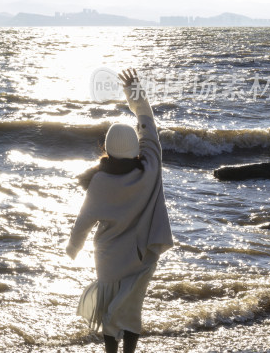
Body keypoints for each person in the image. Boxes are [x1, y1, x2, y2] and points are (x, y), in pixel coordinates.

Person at [66, 68, 173, 353]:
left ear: (107, 149)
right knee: (132, 308)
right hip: (141, 256)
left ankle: (111, 352)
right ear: (136, 147)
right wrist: (135, 91)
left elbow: (84, 220)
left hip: (109, 256)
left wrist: (73, 247)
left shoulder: (100, 181)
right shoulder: (150, 166)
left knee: (108, 306)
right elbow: (147, 122)